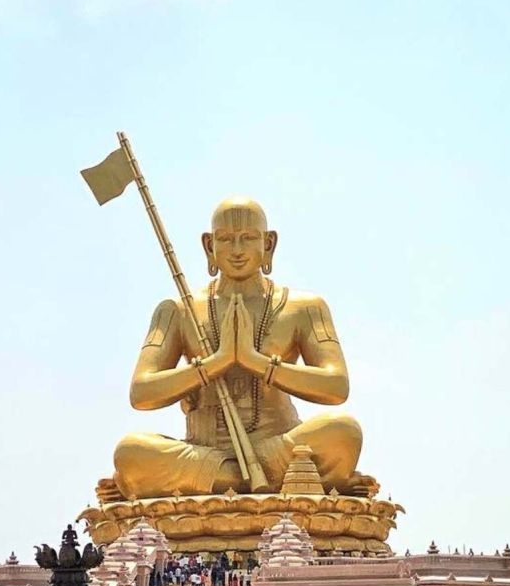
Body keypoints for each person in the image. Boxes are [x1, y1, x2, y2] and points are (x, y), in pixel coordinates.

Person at [108, 197, 364, 501]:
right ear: (209, 246)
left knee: (343, 431)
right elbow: (141, 391)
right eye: (226, 239)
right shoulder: (178, 310)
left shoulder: (305, 308)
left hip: (280, 446)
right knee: (130, 452)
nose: (238, 250)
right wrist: (217, 362)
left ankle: (223, 481)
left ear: (268, 244)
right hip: (204, 452)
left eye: (249, 238)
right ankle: (257, 478)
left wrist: (255, 361)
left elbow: (336, 386)